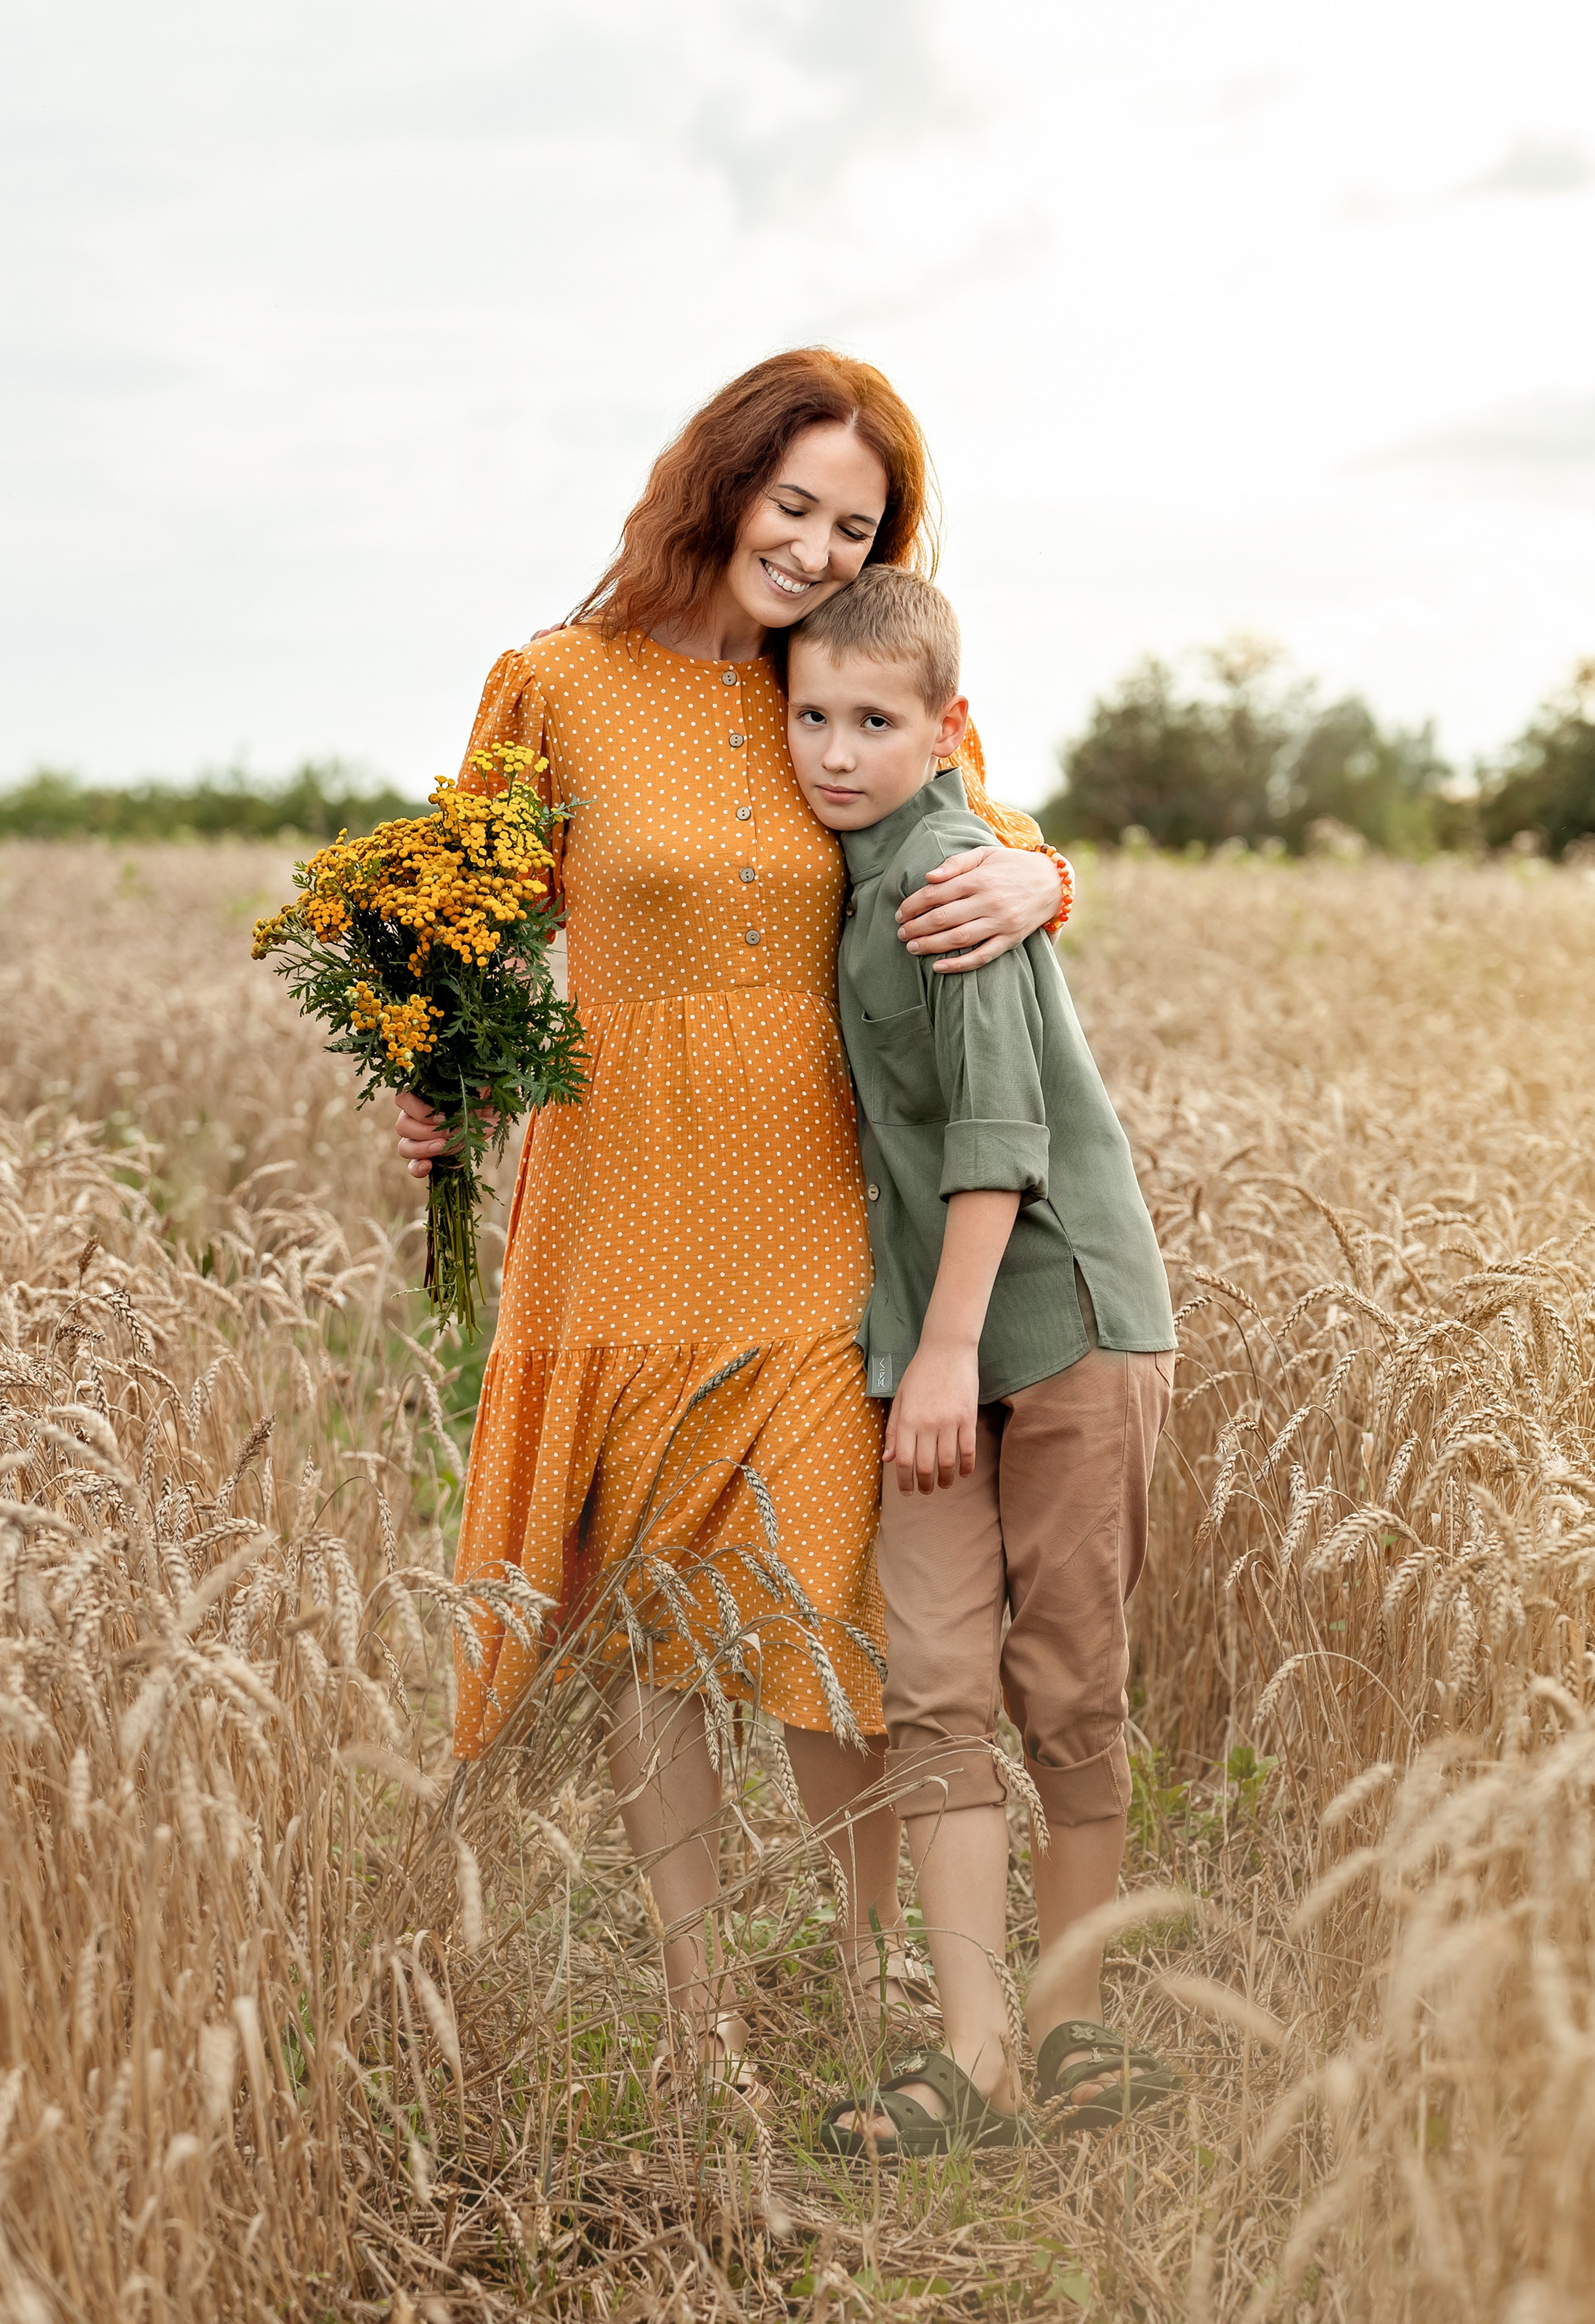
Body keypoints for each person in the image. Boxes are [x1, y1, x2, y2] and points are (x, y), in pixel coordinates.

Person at [391, 351, 1068, 2098]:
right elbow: (462, 929)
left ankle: (854, 1990)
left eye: (858, 525)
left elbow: (983, 835)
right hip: (615, 1197)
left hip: (820, 1203)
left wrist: (1049, 875)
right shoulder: (552, 684)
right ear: (720, 483)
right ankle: (701, 2023)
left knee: (818, 1602)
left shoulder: (842, 680)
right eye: (795, 507)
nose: (820, 551)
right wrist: (431, 1069)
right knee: (653, 1630)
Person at [784, 564, 1179, 2153]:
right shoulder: (853, 874)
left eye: (872, 720)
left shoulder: (951, 873)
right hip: (928, 1344)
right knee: (932, 1674)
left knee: (1066, 1677)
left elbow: (1000, 1141)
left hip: (1058, 1328)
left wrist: (940, 1353)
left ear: (945, 729)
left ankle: (1075, 2026)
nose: (832, 749)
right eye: (810, 715)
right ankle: (974, 2048)